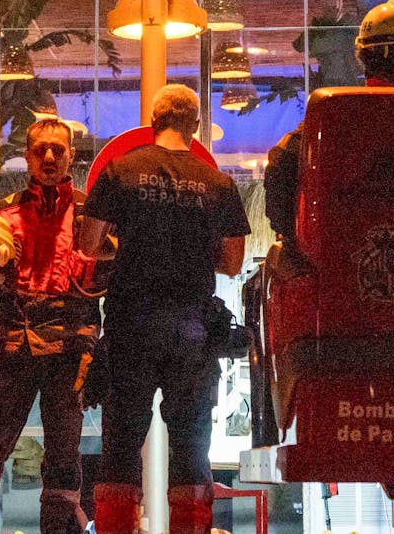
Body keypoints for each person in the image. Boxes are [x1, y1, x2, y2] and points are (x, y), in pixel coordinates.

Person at [75, 85, 250, 534]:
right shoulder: (219, 184)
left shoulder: (121, 170)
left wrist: (131, 246)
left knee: (120, 444)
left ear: (153, 121)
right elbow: (232, 262)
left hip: (131, 324)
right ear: (194, 126)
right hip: (192, 329)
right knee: (192, 447)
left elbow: (89, 245)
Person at [0, 118, 100, 534]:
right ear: (28, 156)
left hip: (71, 352)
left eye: (58, 149)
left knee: (64, 462)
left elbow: (115, 281)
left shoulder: (94, 214)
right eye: (40, 150)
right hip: (14, 345)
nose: (50, 157)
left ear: (72, 154)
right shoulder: (1, 213)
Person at [263, 0, 394, 263]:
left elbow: (280, 164)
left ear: (362, 58)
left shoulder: (334, 113)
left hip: (342, 265)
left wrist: (292, 238)